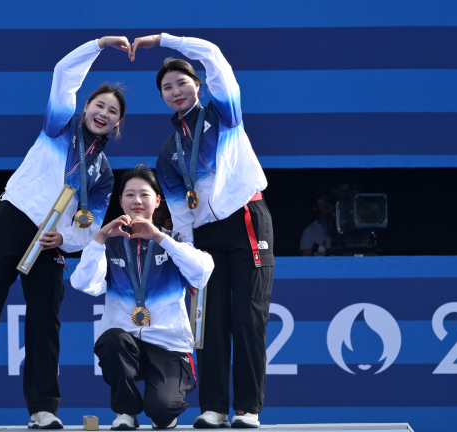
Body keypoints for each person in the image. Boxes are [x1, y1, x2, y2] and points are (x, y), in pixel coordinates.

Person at [0, 36, 131, 430]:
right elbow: (63, 74)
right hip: (15, 219)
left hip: (51, 241)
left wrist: (66, 240)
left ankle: (43, 408)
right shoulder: (58, 126)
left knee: (46, 319)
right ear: (85, 108)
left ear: (117, 124)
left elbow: (92, 223)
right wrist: (98, 45)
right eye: (99, 105)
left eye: (112, 112)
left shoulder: (104, 173)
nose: (104, 113)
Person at [129, 34, 274, 428]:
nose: (175, 91)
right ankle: (212, 407)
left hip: (245, 219)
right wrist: (189, 260)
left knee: (247, 316)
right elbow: (179, 212)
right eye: (166, 88)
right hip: (206, 238)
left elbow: (212, 55)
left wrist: (163, 41)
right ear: (161, 97)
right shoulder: (167, 151)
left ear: (199, 85)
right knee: (209, 323)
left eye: (181, 83)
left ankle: (247, 409)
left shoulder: (224, 113)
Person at [70, 165, 214, 430]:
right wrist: (98, 239)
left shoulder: (174, 240)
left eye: (144, 194)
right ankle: (125, 412)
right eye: (130, 195)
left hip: (168, 345)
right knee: (112, 340)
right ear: (120, 200)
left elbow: (202, 272)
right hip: (126, 343)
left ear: (157, 200)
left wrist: (160, 237)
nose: (137, 201)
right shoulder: (109, 243)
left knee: (161, 412)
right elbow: (83, 284)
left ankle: (164, 404)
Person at [300, 186, 336, 256]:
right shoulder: (311, 230)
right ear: (316, 203)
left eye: (329, 199)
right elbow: (305, 262)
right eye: (321, 200)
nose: (325, 202)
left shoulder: (347, 227)